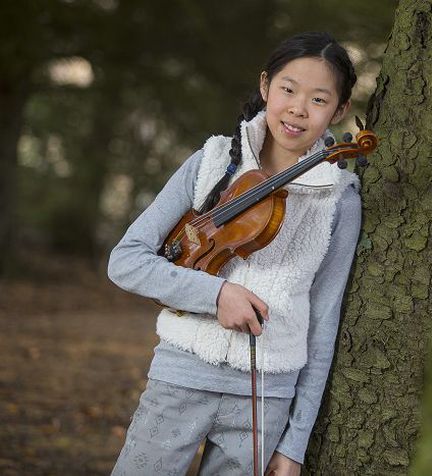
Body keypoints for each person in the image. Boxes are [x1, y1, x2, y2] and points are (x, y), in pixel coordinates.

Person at [108, 31, 361, 476]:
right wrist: (216, 294)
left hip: (267, 398)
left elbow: (324, 323)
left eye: (319, 100)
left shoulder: (340, 200)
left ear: (339, 110)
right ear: (265, 86)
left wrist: (296, 444)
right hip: (180, 375)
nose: (298, 109)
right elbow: (127, 260)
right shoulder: (210, 162)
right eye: (288, 90)